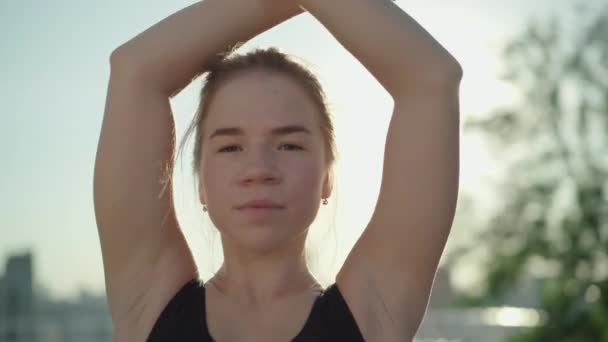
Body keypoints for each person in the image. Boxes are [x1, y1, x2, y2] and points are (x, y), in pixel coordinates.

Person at [93, 0, 462, 341]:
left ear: (327, 178)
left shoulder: (375, 310)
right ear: (200, 183)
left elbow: (431, 78)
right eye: (230, 147)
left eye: (289, 145)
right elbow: (134, 68)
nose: (258, 170)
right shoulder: (149, 302)